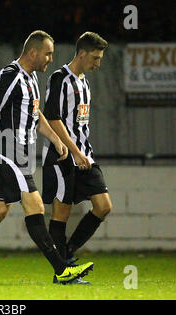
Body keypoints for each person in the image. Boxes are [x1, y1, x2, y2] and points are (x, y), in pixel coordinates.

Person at [0, 30, 94, 285]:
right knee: (36, 206)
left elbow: (35, 112)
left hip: (20, 153)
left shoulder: (30, 79)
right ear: (33, 53)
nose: (50, 59)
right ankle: (62, 271)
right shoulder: (10, 76)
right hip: (7, 150)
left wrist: (55, 138)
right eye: (48, 53)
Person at [42, 31, 111, 284]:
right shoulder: (60, 78)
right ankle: (63, 273)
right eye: (95, 57)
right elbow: (53, 118)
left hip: (84, 155)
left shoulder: (84, 82)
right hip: (63, 157)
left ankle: (66, 254)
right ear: (81, 53)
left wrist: (83, 153)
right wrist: (74, 151)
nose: (98, 63)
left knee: (103, 207)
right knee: (61, 213)